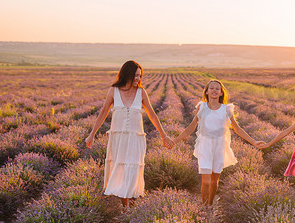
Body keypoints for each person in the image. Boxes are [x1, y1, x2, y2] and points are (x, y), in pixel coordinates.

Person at [85, 60, 174, 208]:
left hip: (135, 139)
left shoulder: (141, 92)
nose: (138, 79)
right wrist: (92, 134)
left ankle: (130, 204)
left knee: (132, 169)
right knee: (120, 169)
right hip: (118, 139)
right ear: (127, 74)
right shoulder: (113, 91)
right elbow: (103, 113)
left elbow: (152, 115)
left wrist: (164, 136)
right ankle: (126, 207)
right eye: (135, 76)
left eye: (140, 76)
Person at [173, 80, 265, 205]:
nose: (215, 90)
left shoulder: (226, 109)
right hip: (205, 145)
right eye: (212, 88)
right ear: (207, 91)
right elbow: (191, 127)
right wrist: (175, 141)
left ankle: (210, 204)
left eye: (218, 89)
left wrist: (253, 142)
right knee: (205, 181)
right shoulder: (202, 107)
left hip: (219, 146)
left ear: (221, 93)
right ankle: (204, 207)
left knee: (214, 181)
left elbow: (237, 129)